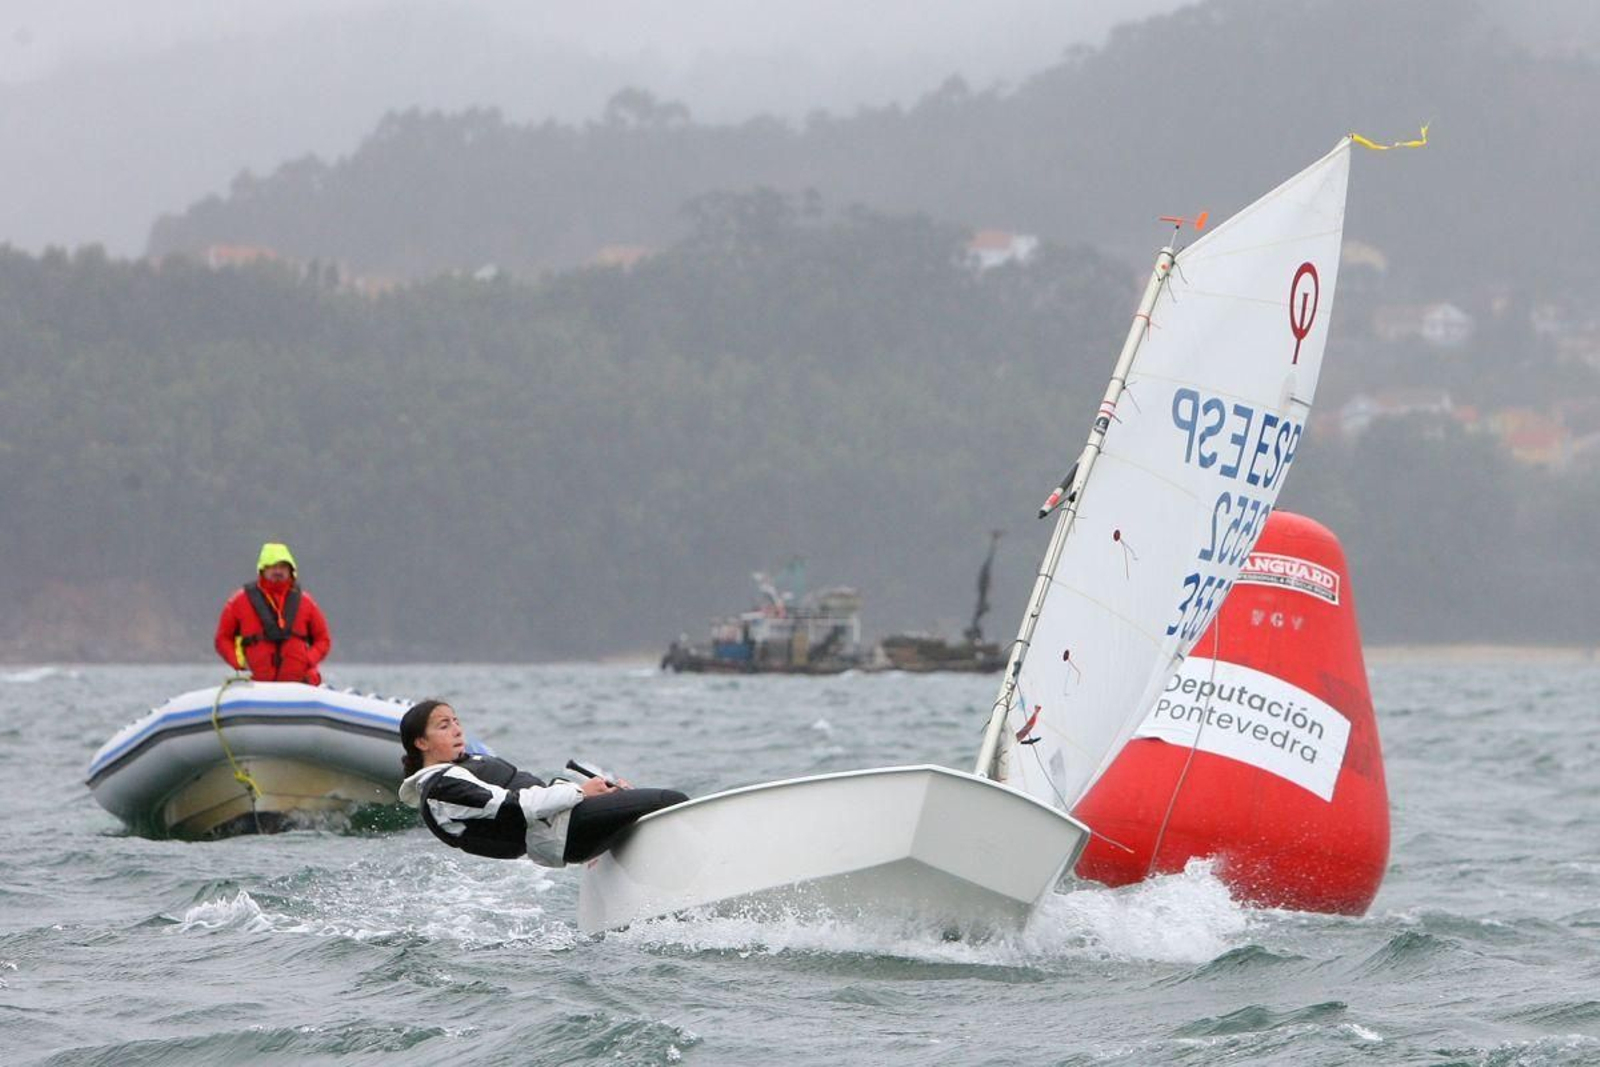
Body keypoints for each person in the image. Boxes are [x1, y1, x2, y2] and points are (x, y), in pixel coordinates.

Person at [397, 699, 688, 867]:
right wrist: (580, 791)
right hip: (566, 834)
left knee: (642, 808)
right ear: (421, 742)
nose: (457, 729)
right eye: (444, 726)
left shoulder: (456, 772)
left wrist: (597, 798)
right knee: (670, 799)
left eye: (456, 721)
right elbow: (518, 806)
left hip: (567, 827)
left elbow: (531, 796)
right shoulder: (443, 787)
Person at [213, 542, 332, 685]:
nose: (278, 571)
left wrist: (308, 659)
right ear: (262, 570)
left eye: (282, 567)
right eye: (272, 567)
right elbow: (223, 638)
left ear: (290, 570)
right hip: (256, 684)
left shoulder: (306, 602)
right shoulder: (239, 601)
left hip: (299, 684)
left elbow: (323, 639)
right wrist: (238, 662)